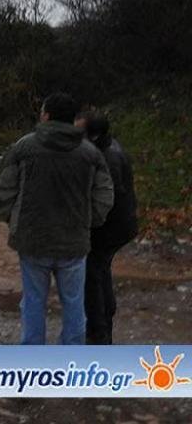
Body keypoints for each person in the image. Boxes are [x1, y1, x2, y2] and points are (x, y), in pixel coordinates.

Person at [0, 93, 114, 345]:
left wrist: (12, 218)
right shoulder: (90, 153)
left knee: (33, 302)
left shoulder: (25, 147)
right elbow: (105, 193)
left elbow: (5, 188)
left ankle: (33, 360)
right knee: (73, 304)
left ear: (46, 115)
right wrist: (90, 220)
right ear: (73, 119)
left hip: (32, 240)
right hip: (73, 241)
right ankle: (70, 358)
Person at [75, 111, 138, 344]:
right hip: (120, 225)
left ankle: (99, 331)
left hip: (109, 228)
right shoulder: (110, 148)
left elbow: (108, 197)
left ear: (92, 135)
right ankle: (103, 320)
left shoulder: (105, 158)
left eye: (79, 132)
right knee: (101, 271)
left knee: (93, 274)